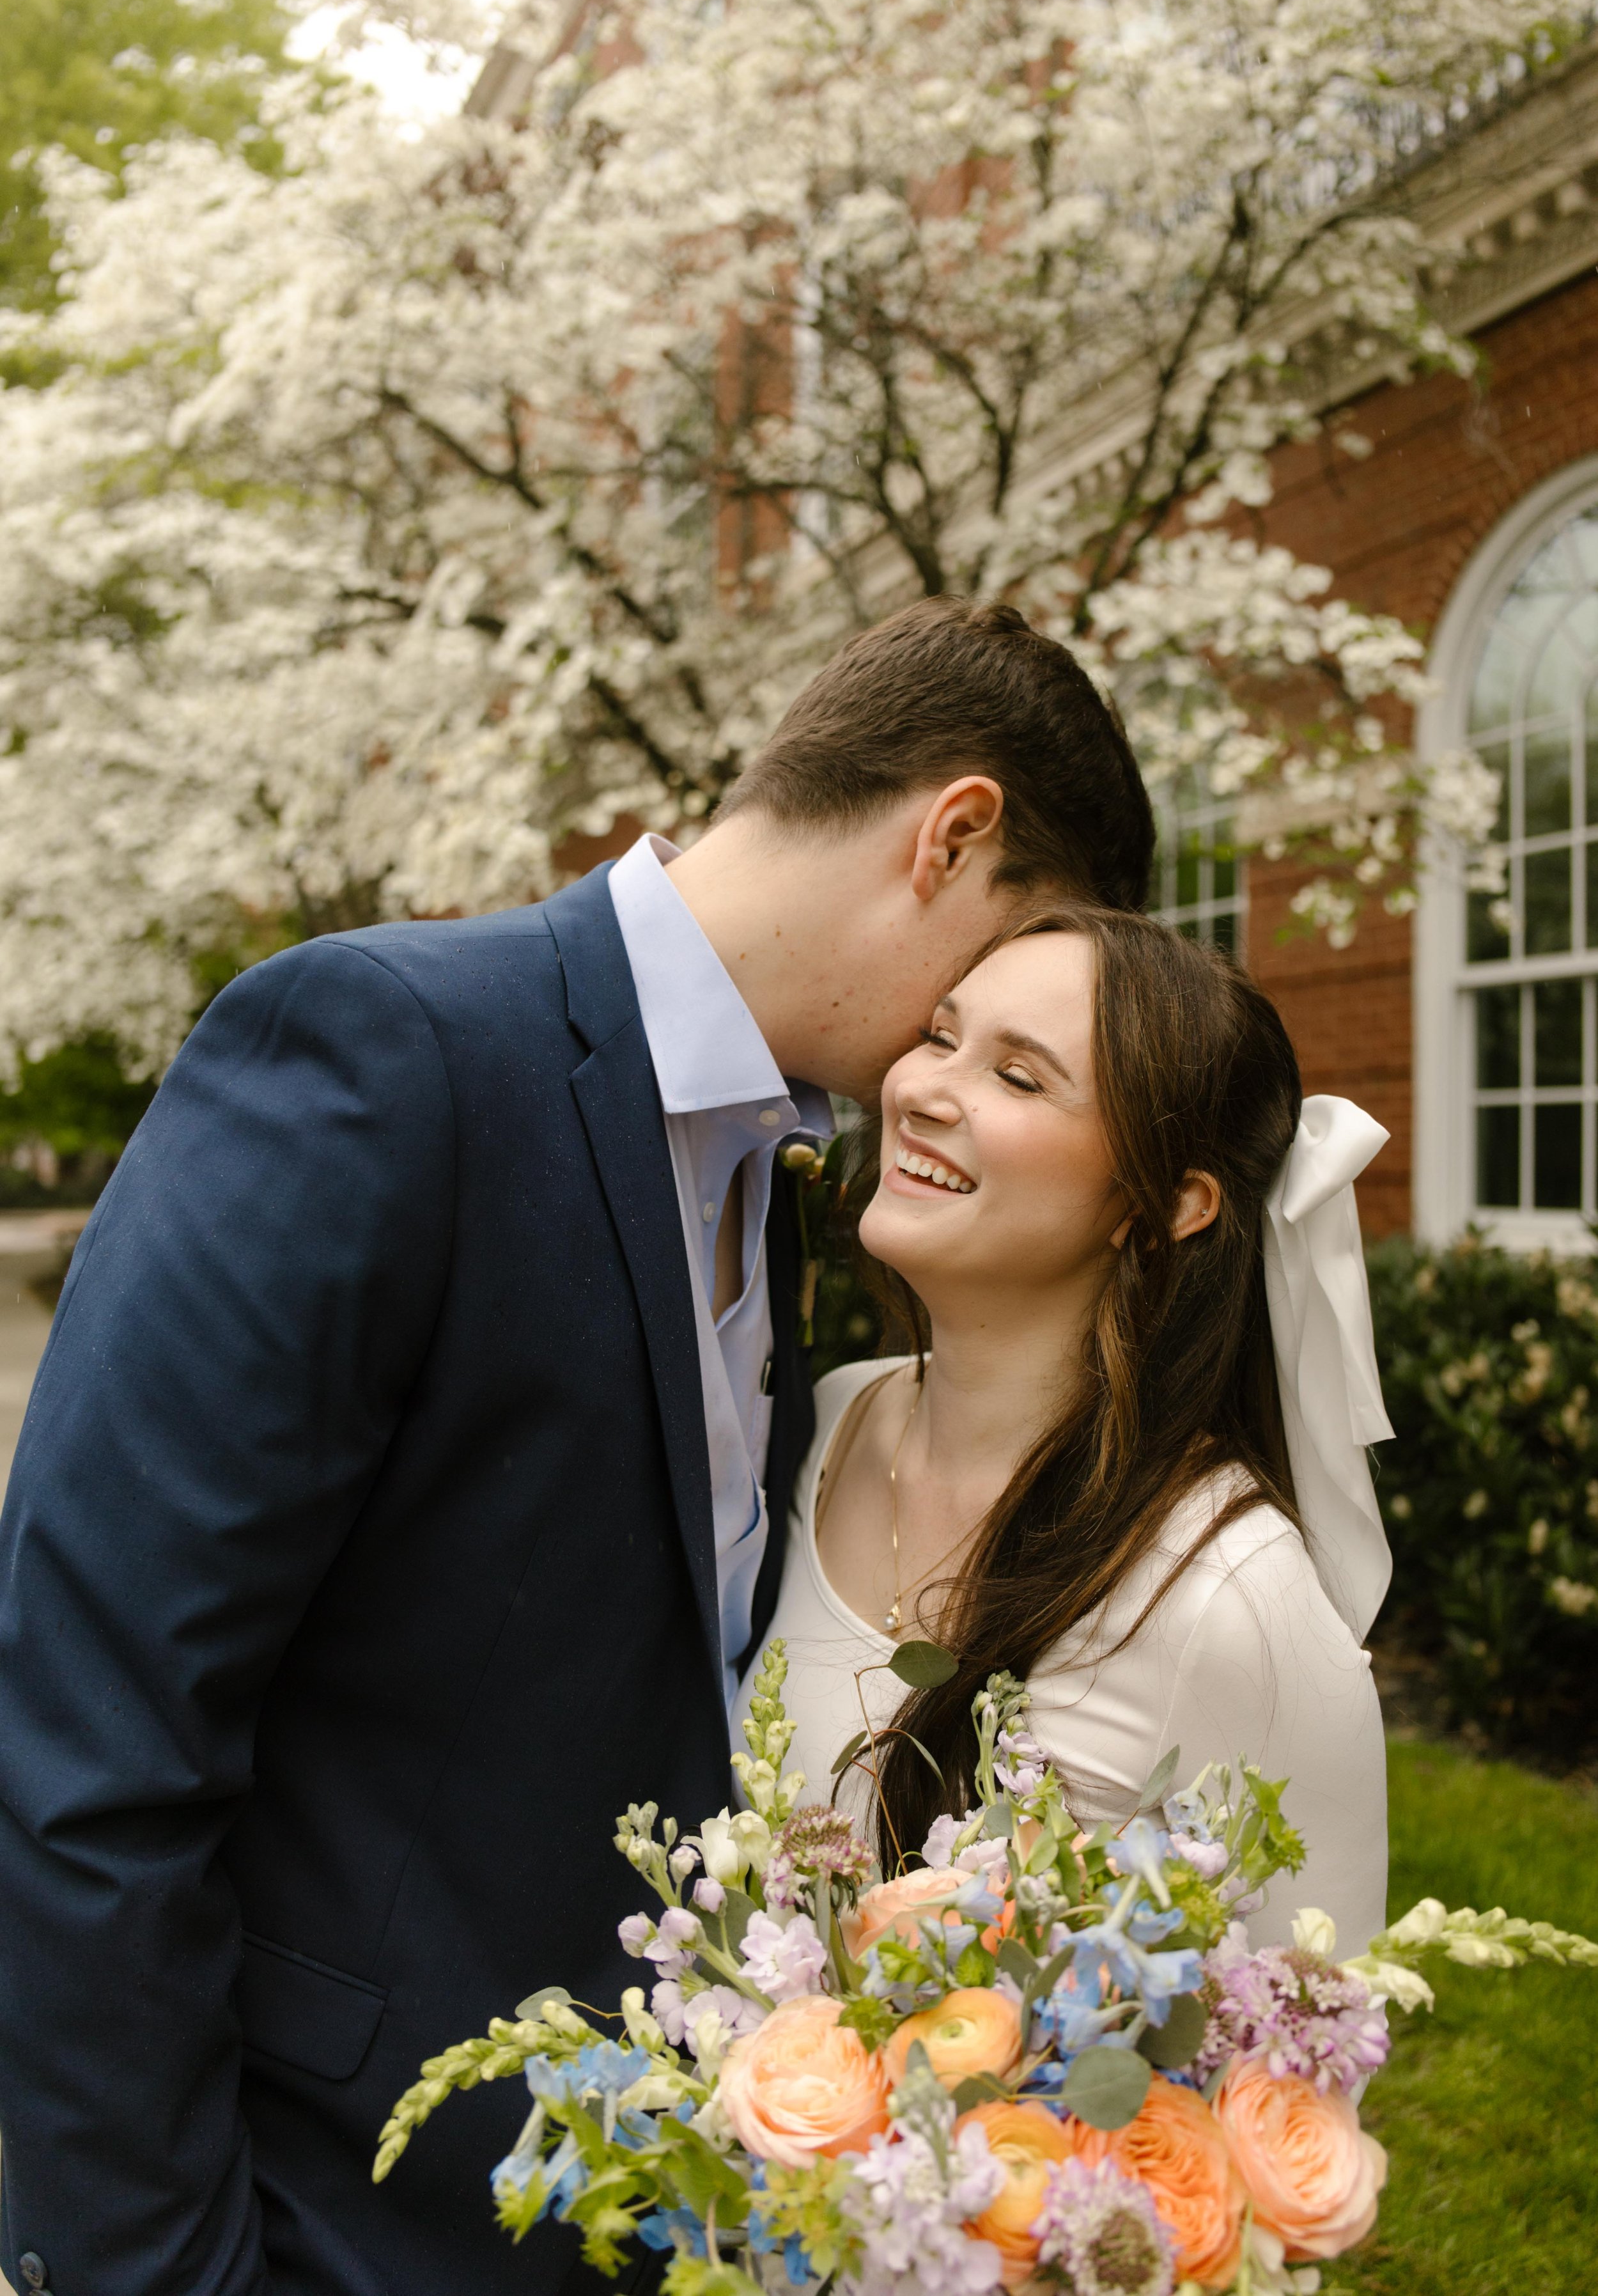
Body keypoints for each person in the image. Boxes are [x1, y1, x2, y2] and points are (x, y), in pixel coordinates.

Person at [0, 600, 1153, 2296]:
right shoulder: (379, 1051)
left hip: (617, 2212)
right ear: (952, 832)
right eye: (1003, 958)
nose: (956, 1046)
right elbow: (84, 1738)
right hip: (310, 2214)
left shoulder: (783, 1169)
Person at [749, 903, 1392, 1954]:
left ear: (1166, 1205)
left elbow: (1306, 2072)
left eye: (1018, 1075)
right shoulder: (817, 1430)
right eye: (942, 1035)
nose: (920, 1090)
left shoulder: (1234, 1599)